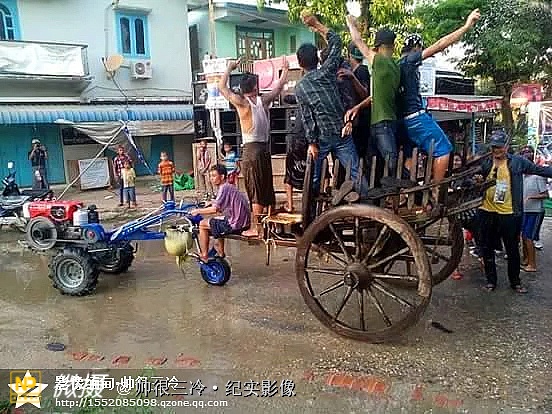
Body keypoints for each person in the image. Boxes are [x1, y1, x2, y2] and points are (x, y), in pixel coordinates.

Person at [397, 9, 480, 191]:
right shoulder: (410, 61)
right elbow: (440, 44)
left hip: (402, 121)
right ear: (416, 48)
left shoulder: (396, 66)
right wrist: (466, 27)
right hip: (415, 117)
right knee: (444, 148)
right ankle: (435, 190)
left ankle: (405, 192)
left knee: (410, 154)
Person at [295, 12, 363, 197]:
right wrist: (316, 24)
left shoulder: (300, 87)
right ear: (318, 60)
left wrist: (312, 143)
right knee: (355, 172)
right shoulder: (327, 71)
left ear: (300, 64)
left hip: (322, 138)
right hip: (342, 132)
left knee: (314, 178)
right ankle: (368, 205)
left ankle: (312, 208)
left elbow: (308, 119)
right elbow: (336, 41)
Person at [218, 57, 288, 238]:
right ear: (256, 88)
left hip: (251, 151)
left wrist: (229, 68)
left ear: (242, 90)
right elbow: (278, 88)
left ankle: (257, 228)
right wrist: (285, 71)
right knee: (267, 187)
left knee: (255, 189)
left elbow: (222, 88)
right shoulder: (263, 101)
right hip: (264, 149)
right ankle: (271, 225)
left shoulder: (242, 103)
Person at [478, 131, 552, 293]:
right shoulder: (485, 162)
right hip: (487, 211)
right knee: (487, 248)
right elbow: (472, 177)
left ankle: (515, 282)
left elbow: (539, 170)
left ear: (506, 146)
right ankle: (491, 281)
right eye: (493, 147)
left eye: (499, 147)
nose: (496, 150)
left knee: (512, 249)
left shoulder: (518, 162)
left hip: (509, 214)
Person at [345, 16, 400, 176]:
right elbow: (375, 95)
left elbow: (357, 40)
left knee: (391, 163)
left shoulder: (380, 61)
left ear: (378, 47)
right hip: (381, 123)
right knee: (373, 164)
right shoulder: (395, 66)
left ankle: (404, 188)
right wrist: (358, 107)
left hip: (382, 123)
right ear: (393, 46)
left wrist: (351, 24)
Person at [190, 165, 251, 262]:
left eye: (214, 176)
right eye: (210, 176)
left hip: (236, 223)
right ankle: (221, 252)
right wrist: (211, 202)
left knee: (202, 224)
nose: (211, 179)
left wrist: (197, 211)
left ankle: (204, 255)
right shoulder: (229, 186)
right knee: (217, 219)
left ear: (222, 177)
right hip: (242, 221)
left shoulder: (224, 188)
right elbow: (220, 204)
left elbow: (215, 209)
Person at [520, 147, 549, 272]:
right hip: (524, 210)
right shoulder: (522, 177)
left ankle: (532, 264)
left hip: (535, 211)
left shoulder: (538, 176)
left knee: (528, 237)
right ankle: (526, 259)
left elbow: (545, 194)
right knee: (523, 236)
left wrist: (531, 197)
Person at [282, 94, 308, 213]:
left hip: (301, 140)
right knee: (290, 174)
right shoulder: (313, 97)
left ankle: (290, 204)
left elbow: (287, 98)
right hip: (303, 141)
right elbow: (286, 98)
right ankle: (290, 204)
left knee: (289, 174)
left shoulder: (304, 97)